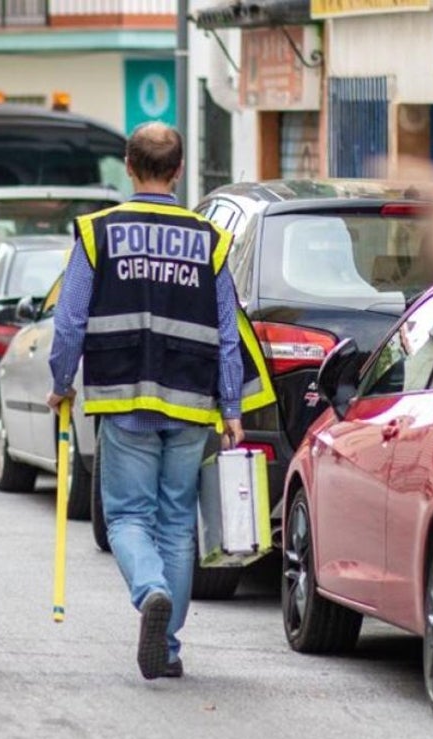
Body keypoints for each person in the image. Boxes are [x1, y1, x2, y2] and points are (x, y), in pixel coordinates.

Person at [45, 123, 274, 681]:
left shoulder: (97, 233)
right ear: (177, 171)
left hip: (122, 399)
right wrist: (233, 409)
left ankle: (149, 591)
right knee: (176, 524)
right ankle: (168, 646)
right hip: (192, 400)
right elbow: (227, 329)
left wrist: (61, 381)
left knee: (127, 515)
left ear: (128, 165)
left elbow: (70, 318)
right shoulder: (209, 239)